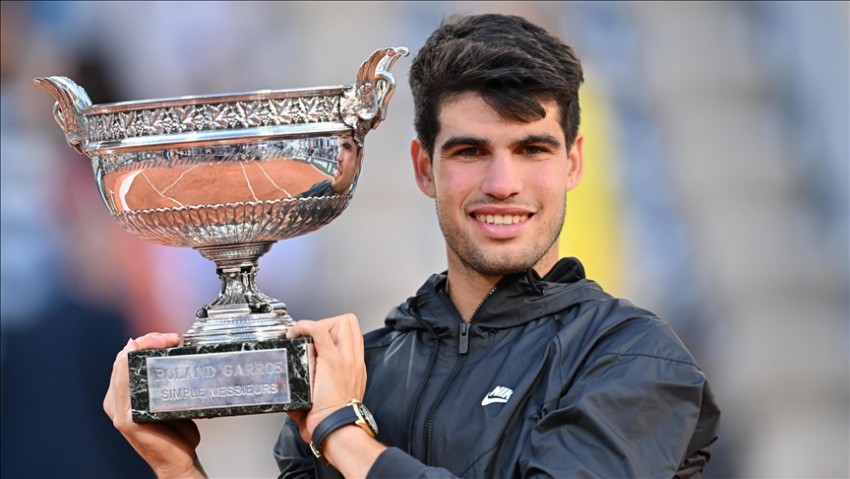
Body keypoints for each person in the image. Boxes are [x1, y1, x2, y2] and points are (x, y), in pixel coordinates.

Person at [104, 13, 720, 478]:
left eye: (532, 149)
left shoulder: (633, 358)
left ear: (573, 162)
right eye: (470, 151)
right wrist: (175, 467)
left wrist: (342, 433)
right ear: (424, 167)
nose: (503, 184)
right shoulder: (358, 373)